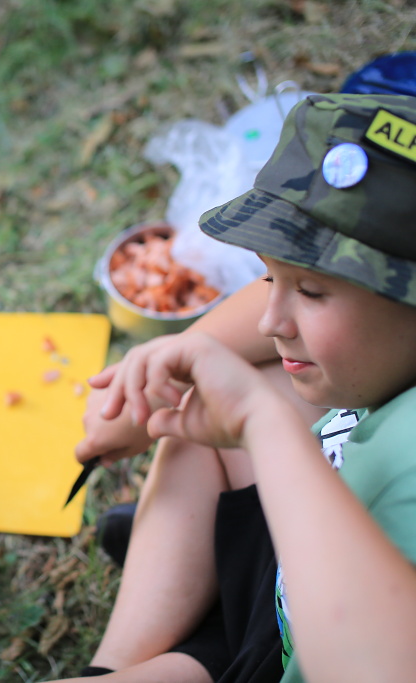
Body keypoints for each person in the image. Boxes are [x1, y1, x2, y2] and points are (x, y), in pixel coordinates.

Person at [53, 92, 416, 682]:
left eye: (313, 292)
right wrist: (167, 361)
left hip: (322, 642)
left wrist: (261, 424)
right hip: (290, 586)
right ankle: (121, 662)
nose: (273, 319)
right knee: (211, 400)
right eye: (273, 276)